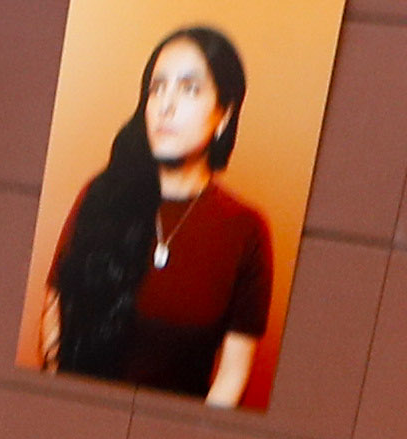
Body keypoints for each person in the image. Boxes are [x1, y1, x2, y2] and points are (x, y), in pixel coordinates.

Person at [33, 23, 274, 406]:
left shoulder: (246, 230)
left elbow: (232, 374)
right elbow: (54, 314)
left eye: (189, 89)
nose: (166, 105)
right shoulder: (101, 195)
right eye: (156, 88)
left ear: (223, 115)